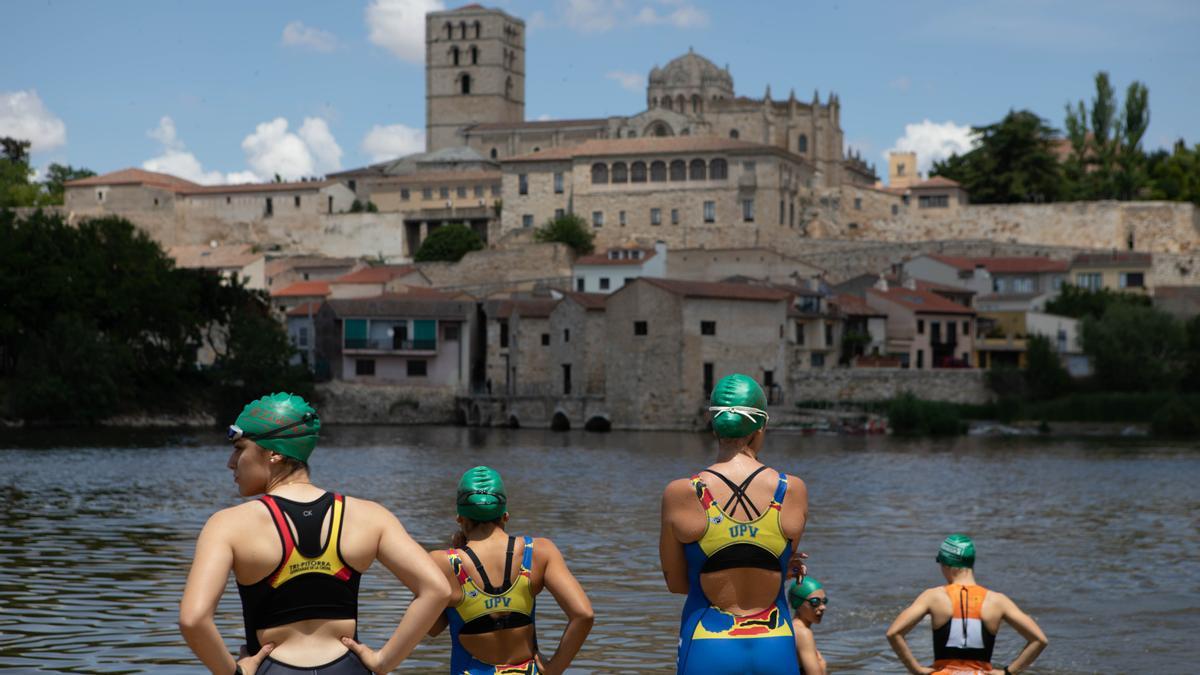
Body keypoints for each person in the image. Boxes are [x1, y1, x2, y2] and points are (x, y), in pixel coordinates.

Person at [180, 393, 451, 675]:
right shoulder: (370, 516)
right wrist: (384, 662)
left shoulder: (227, 524)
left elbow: (194, 619)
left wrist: (234, 673)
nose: (231, 462)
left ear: (275, 453)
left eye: (239, 448)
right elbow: (436, 589)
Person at [660, 374, 809, 674]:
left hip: (707, 642)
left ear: (713, 423)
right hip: (775, 641)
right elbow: (771, 563)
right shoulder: (791, 490)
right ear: (761, 427)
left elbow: (677, 584)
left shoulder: (682, 493)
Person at [427, 466, 593, 674]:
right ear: (505, 516)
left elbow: (432, 628)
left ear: (460, 518)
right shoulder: (540, 552)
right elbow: (583, 615)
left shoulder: (444, 562)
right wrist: (554, 669)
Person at [885, 534, 1049, 675]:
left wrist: (916, 669)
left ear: (946, 564)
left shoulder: (934, 597)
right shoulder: (997, 600)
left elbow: (894, 633)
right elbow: (1039, 640)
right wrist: (1008, 672)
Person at [788, 577, 827, 675]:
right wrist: (822, 666)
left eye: (824, 601)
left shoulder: (791, 627)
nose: (823, 607)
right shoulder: (803, 633)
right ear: (798, 603)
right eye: (815, 602)